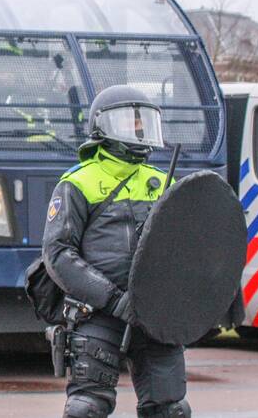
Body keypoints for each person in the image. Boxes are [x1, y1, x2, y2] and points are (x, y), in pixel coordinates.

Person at [42, 85, 190, 418]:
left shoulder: (162, 180)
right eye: (130, 122)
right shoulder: (78, 182)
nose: (139, 130)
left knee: (171, 410)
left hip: (155, 315)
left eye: (143, 123)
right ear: (103, 126)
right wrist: (113, 299)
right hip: (97, 313)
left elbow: (185, 249)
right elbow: (58, 253)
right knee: (87, 408)